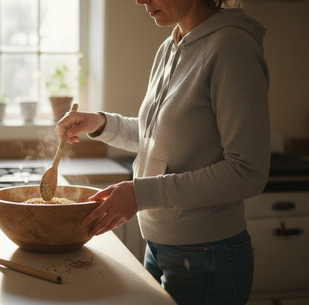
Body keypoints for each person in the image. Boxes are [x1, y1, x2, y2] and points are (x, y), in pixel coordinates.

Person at [56, 0, 269, 303]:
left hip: (207, 255)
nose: (140, 0)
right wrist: (100, 123)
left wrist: (140, 194)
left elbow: (248, 172)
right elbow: (157, 138)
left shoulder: (232, 48)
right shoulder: (172, 46)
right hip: (159, 247)